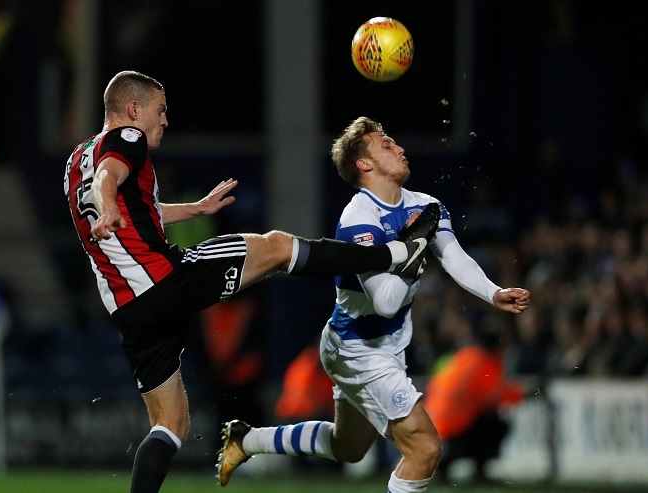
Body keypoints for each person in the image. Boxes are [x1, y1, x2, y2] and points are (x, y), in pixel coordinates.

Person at [63, 72, 439, 493]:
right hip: (165, 279)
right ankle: (396, 253)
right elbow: (109, 178)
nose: (165, 120)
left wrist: (194, 209)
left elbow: (135, 207)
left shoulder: (76, 159)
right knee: (276, 247)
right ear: (133, 109)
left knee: (170, 423)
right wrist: (109, 205)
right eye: (160, 110)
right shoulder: (127, 137)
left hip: (129, 307)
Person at [216, 116, 531, 493]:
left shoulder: (425, 204)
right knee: (424, 448)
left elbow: (454, 257)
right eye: (386, 145)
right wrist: (411, 249)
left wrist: (492, 292)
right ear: (364, 163)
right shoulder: (359, 219)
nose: (400, 148)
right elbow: (385, 302)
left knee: (347, 447)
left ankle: (248, 439)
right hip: (358, 349)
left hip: (380, 345)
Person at [423, 326, 524, 484]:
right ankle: (478, 469)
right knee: (496, 425)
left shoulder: (461, 356)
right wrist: (522, 393)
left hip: (433, 420)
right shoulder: (486, 361)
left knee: (484, 421)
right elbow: (493, 397)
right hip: (455, 424)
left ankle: (445, 464)